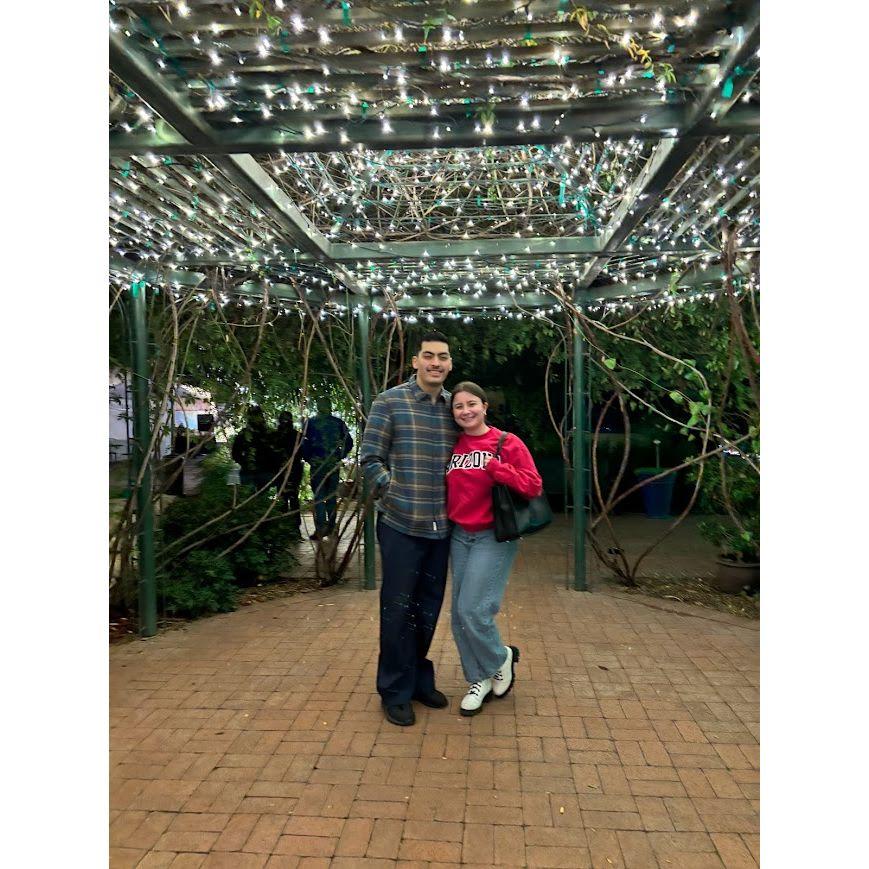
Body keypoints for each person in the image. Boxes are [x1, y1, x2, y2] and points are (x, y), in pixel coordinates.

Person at [360, 331, 458, 727]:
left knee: (427, 609)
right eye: (428, 356)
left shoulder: (454, 408)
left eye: (443, 357)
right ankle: (394, 690)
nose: (436, 363)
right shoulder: (389, 402)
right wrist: (392, 491)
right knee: (398, 610)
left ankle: (418, 681)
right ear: (415, 361)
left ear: (449, 364)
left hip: (441, 528)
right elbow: (370, 459)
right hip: (401, 525)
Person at [446, 381, 543, 716]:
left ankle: (500, 658)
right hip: (460, 535)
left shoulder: (506, 442)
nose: (466, 411)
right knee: (459, 616)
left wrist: (497, 468)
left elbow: (533, 485)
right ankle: (480, 678)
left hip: (494, 536)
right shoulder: (453, 445)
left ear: (485, 406)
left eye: (472, 404)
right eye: (459, 406)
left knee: (474, 610)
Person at [301, 398, 353, 539]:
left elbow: (303, 444)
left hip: (317, 466)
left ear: (318, 406)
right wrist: (340, 456)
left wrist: (310, 458)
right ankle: (332, 528)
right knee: (331, 497)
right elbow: (349, 442)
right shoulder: (338, 423)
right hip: (332, 465)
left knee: (319, 497)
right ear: (330, 406)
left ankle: (321, 529)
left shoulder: (310, 423)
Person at [272, 411, 304, 539]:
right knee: (284, 499)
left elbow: (301, 453)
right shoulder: (276, 436)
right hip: (281, 471)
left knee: (292, 498)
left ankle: (294, 529)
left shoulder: (296, 435)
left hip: (293, 470)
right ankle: (285, 530)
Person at [231, 405, 275, 491]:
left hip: (265, 472)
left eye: (258, 415)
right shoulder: (243, 434)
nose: (256, 418)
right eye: (254, 415)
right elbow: (235, 453)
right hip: (248, 472)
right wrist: (245, 463)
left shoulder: (269, 433)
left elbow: (275, 452)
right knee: (247, 494)